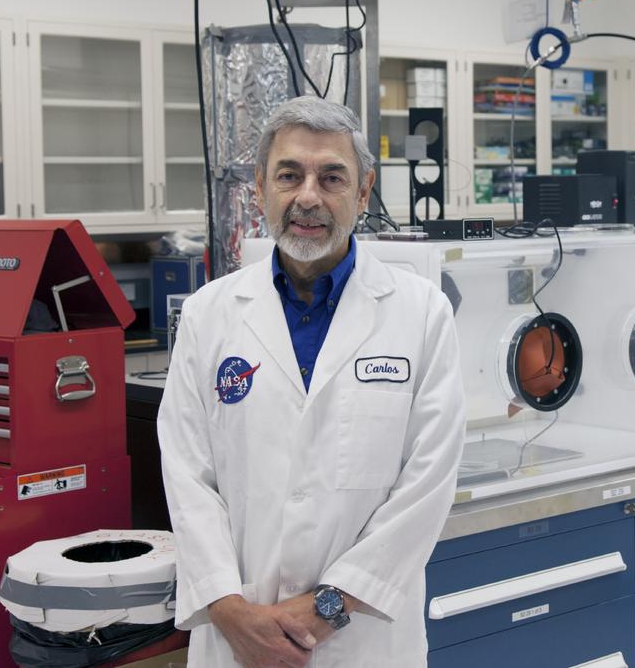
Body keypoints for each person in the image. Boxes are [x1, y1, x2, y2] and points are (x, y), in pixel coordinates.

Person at [159, 97, 465, 667]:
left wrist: (328, 607)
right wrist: (230, 612)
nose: (308, 196)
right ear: (260, 187)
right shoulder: (209, 314)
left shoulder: (421, 314)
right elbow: (186, 477)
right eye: (289, 175)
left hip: (362, 642)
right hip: (238, 638)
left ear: (364, 191)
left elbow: (429, 482)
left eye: (332, 177)